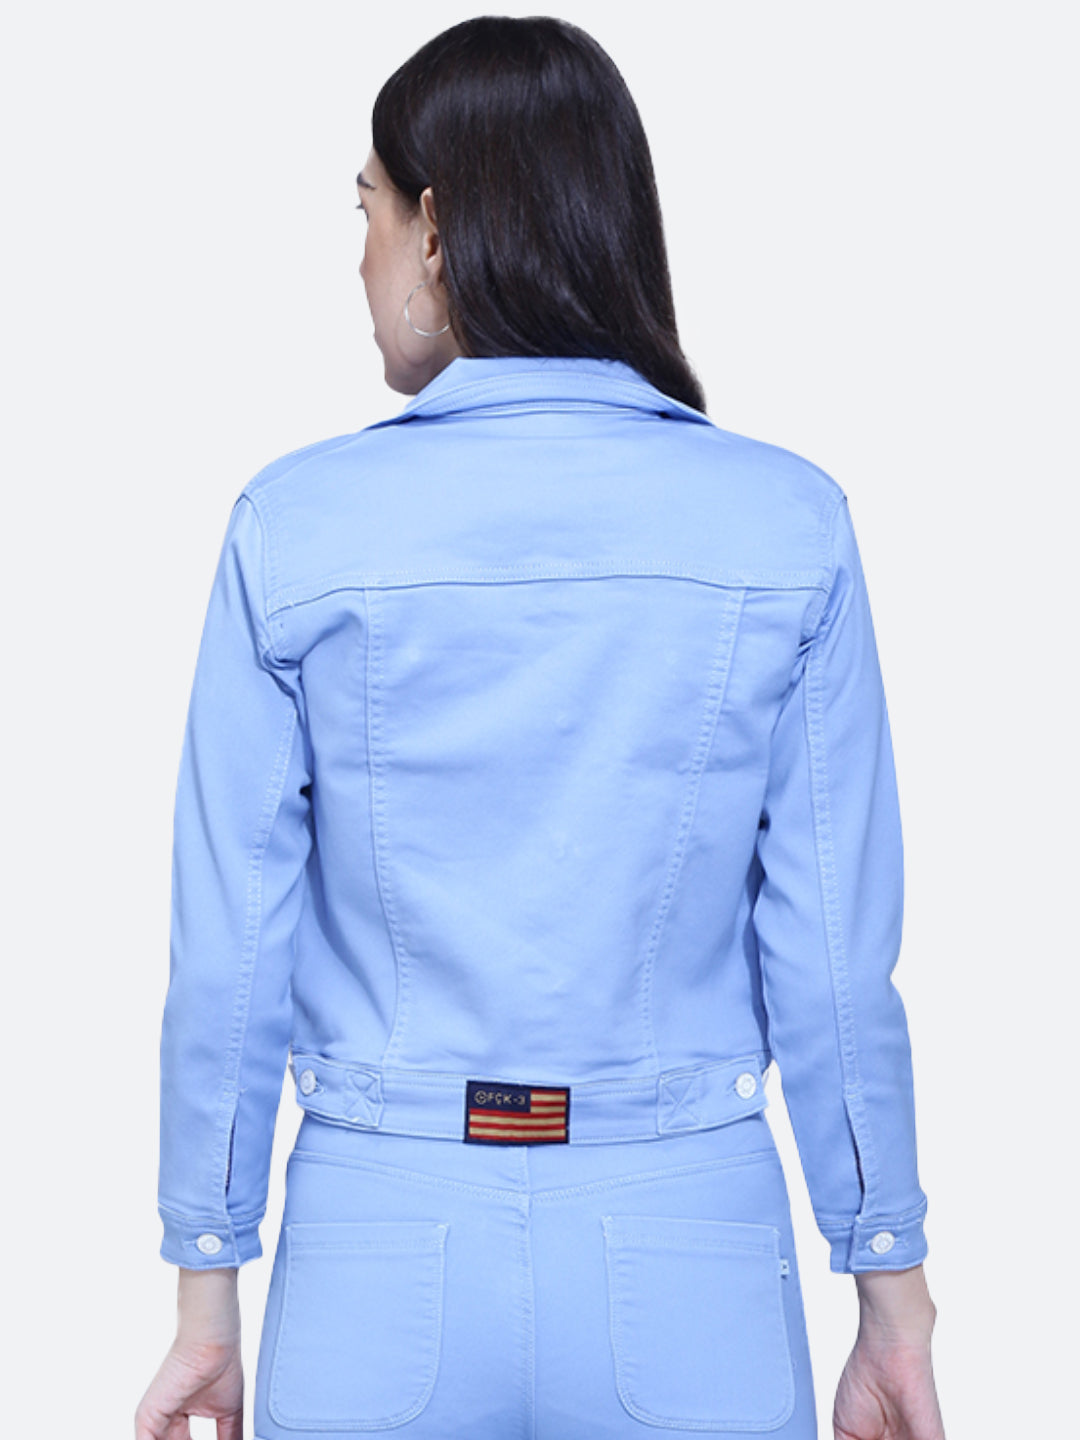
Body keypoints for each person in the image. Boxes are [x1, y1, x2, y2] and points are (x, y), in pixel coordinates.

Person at [135, 17, 945, 1440]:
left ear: (438, 228)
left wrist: (208, 1282)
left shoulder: (296, 524)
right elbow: (831, 958)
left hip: (380, 1240)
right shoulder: (787, 523)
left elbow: (232, 948)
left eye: (368, 212)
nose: (360, 259)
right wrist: (890, 1284)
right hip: (687, 1241)